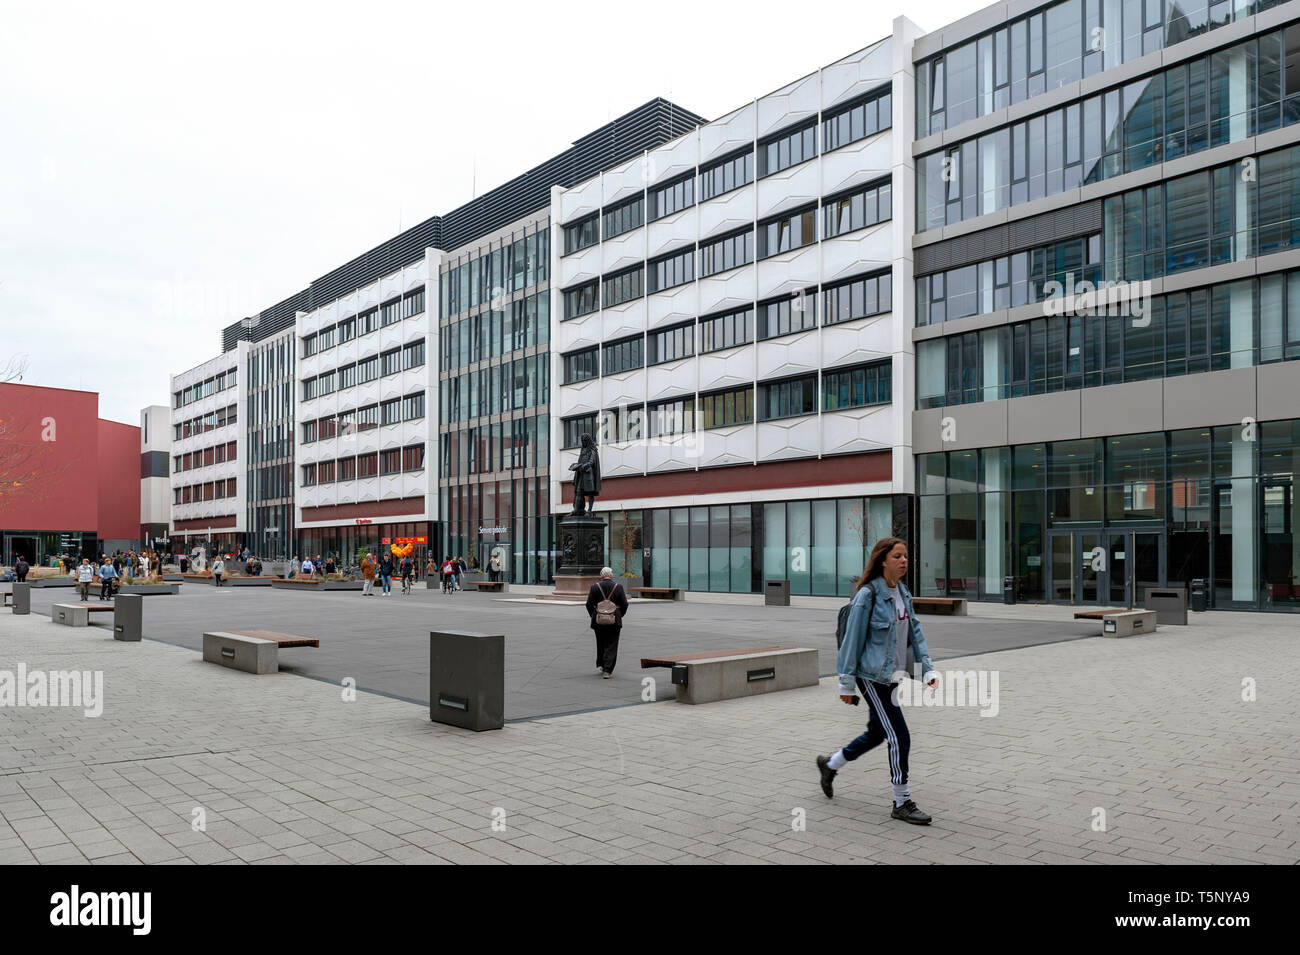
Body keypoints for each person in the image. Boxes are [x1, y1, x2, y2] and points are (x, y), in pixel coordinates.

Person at [816, 537, 938, 826]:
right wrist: (845, 684)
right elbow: (851, 642)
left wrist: (928, 670)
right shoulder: (867, 595)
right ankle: (901, 801)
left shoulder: (903, 593)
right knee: (899, 735)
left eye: (906, 555)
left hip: (891, 676)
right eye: (897, 556)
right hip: (870, 677)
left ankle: (830, 765)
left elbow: (915, 634)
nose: (904, 560)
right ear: (883, 560)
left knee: (877, 732)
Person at [585, 567, 629, 679]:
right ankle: (608, 670)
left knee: (600, 642)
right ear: (612, 575)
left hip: (599, 620)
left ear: (601, 576)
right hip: (614, 620)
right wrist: (619, 614)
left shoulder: (595, 587)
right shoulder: (618, 587)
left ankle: (601, 664)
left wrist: (593, 615)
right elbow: (625, 604)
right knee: (612, 644)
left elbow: (589, 604)